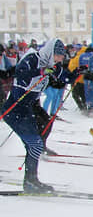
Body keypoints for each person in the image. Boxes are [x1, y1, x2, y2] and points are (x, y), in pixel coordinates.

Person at [2, 39, 71, 192]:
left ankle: (31, 180)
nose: (60, 59)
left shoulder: (53, 65)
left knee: (35, 145)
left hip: (27, 110)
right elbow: (21, 74)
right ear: (51, 52)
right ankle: (30, 182)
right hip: (14, 110)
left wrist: (80, 73)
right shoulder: (32, 58)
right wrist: (40, 71)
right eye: (59, 55)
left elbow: (66, 78)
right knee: (35, 145)